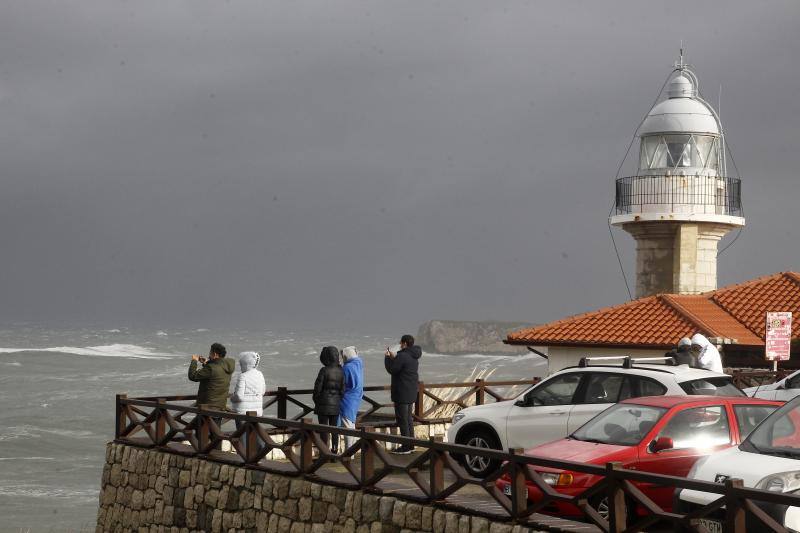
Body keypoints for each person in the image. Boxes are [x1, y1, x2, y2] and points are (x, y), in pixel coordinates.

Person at [384, 334, 422, 454]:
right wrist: (395, 357)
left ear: (404, 343)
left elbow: (392, 369)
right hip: (411, 391)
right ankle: (411, 445)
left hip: (402, 392)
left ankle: (406, 446)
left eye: (401, 343)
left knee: (402, 420)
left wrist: (387, 358)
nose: (400, 345)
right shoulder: (413, 355)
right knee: (408, 419)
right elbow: (403, 365)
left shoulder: (403, 356)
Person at [231, 351, 267, 448]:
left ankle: (245, 457)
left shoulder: (243, 376)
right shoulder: (260, 375)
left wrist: (232, 398)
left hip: (242, 411)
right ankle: (261, 451)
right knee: (255, 432)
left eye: (241, 364)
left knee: (243, 436)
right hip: (256, 411)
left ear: (245, 364)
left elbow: (239, 396)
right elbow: (263, 391)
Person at [313, 346, 344, 454]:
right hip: (336, 404)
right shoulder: (341, 371)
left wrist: (317, 400)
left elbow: (317, 388)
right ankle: (334, 451)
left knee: (324, 430)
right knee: (334, 429)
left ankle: (324, 452)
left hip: (323, 404)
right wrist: (337, 400)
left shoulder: (324, 370)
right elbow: (343, 390)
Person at [188, 343, 236, 411]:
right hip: (220, 407)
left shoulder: (211, 368)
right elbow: (214, 373)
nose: (209, 355)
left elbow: (192, 376)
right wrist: (207, 362)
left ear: (215, 354)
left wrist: (194, 361)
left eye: (210, 353)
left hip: (207, 408)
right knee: (214, 422)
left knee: (202, 422)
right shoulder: (227, 366)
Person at [340, 346, 364, 451]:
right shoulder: (358, 364)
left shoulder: (347, 368)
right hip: (356, 397)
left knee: (347, 426)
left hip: (347, 399)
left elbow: (342, 383)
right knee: (351, 424)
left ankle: (349, 452)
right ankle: (352, 450)